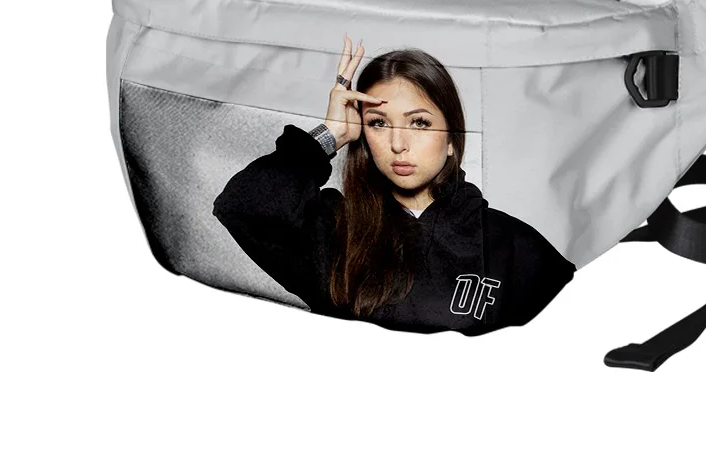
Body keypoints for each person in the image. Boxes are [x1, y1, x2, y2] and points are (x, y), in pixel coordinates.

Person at [212, 34, 575, 334]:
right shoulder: (337, 231)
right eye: (379, 123)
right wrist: (332, 134)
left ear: (452, 139)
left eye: (419, 123)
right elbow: (243, 206)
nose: (398, 144)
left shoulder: (514, 247)